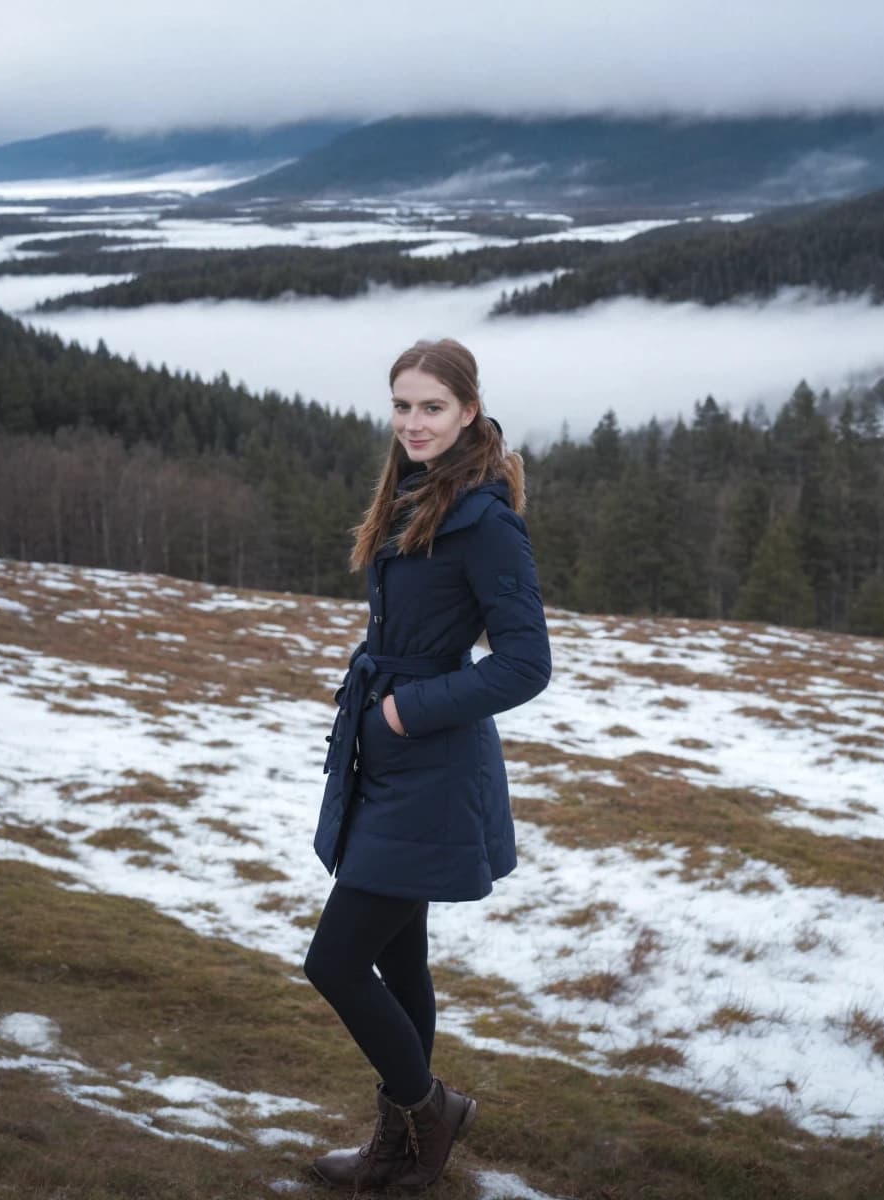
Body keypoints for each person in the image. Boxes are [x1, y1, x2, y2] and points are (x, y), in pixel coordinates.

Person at [304, 337, 552, 1191]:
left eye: (432, 407)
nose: (413, 423)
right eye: (402, 405)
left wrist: (411, 707)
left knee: (333, 962)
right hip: (391, 759)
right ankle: (400, 1146)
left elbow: (527, 662)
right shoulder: (412, 491)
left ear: (468, 412)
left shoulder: (484, 519)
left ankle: (428, 1111)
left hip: (433, 767)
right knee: (400, 960)